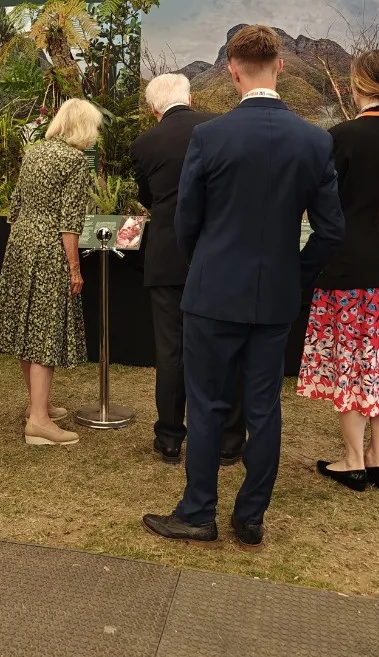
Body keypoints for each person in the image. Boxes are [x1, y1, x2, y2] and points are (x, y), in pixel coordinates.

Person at [143, 25, 344, 548]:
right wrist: (294, 276)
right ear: (280, 66)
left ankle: (199, 513)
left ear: (232, 71)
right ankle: (250, 517)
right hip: (275, 296)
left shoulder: (211, 136)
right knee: (264, 408)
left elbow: (188, 220)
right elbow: (331, 231)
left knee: (206, 403)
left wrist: (205, 264)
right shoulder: (315, 140)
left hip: (212, 292)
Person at [298, 51, 379, 491]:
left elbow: (323, 210)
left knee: (349, 366)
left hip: (346, 271)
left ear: (354, 84)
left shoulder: (340, 137)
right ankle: (377, 458)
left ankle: (352, 458)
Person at [132, 73, 245, 466]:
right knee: (224, 346)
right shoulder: (220, 128)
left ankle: (169, 437)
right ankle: (230, 439)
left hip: (166, 255)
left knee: (171, 350)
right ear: (190, 97)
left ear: (152, 109)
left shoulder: (145, 143)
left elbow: (147, 196)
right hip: (218, 254)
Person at [0, 98, 103, 447]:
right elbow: (70, 221)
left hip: (22, 241)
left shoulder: (35, 152)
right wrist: (74, 267)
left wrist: (20, 244)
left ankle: (38, 405)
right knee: (44, 331)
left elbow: (16, 204)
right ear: (84, 127)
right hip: (51, 245)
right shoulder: (74, 160)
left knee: (27, 326)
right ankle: (38, 421)